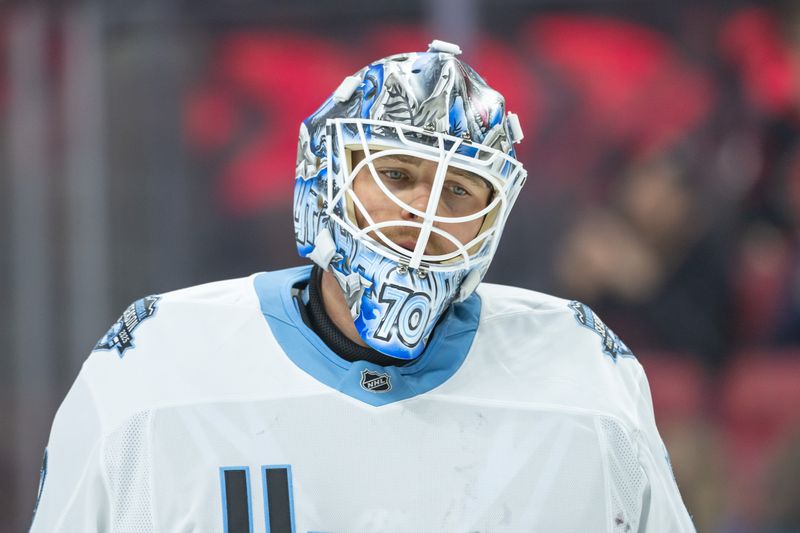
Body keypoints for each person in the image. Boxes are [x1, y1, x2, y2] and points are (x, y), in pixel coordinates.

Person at [29, 40, 695, 532]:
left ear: (494, 219)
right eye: (397, 175)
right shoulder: (155, 365)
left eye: (458, 190)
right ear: (326, 177)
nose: (424, 216)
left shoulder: (585, 382)